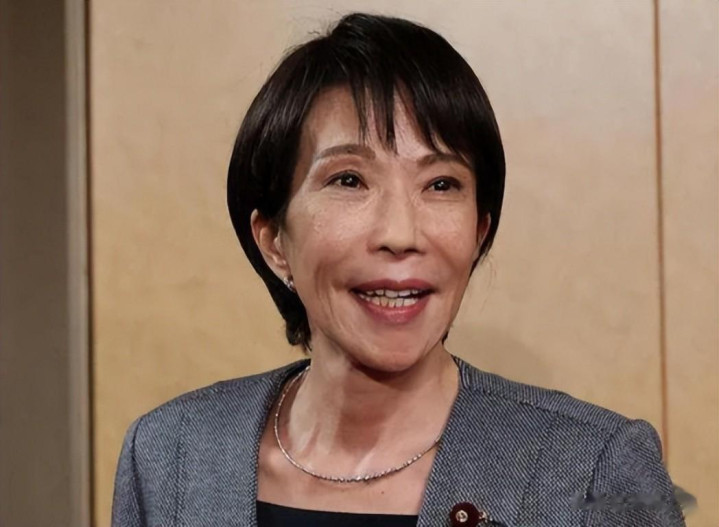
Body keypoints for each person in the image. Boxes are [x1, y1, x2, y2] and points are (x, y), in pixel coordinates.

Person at [111, 13, 685, 527]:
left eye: (441, 184)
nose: (401, 234)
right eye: (349, 180)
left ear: (479, 231)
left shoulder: (594, 471)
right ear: (274, 241)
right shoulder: (168, 459)